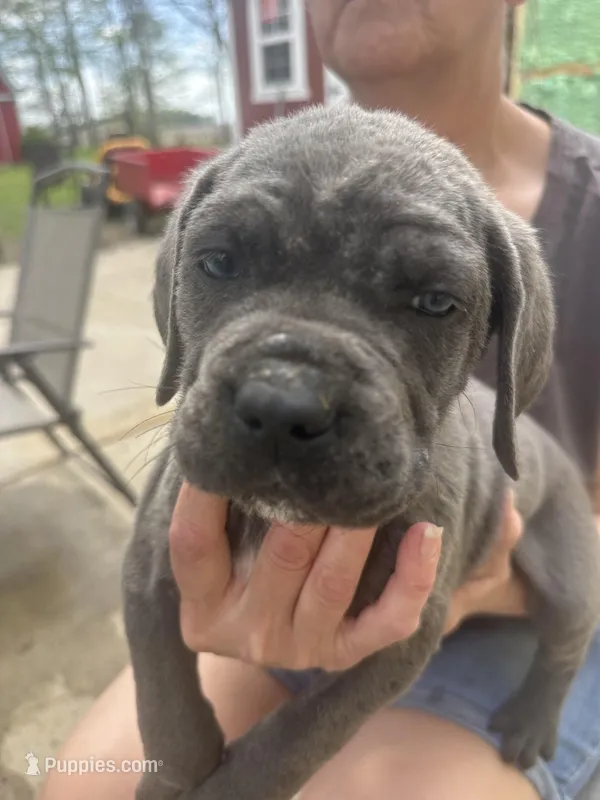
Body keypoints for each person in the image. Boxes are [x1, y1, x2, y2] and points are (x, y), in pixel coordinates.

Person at [42, 1, 600, 798]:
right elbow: (148, 579)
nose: (285, 396)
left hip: (505, 613)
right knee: (83, 786)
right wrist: (176, 754)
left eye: (430, 301)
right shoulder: (249, 169)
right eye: (225, 264)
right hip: (285, 619)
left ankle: (558, 675)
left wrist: (481, 586)